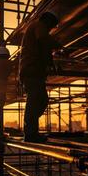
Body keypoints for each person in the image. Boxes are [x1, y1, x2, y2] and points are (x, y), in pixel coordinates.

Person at [20, 11, 61, 142]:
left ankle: (31, 129)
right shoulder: (39, 25)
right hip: (31, 70)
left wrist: (56, 48)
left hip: (34, 71)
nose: (50, 29)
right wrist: (57, 49)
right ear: (47, 21)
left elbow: (45, 43)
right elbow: (44, 42)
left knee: (41, 100)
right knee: (34, 100)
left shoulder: (38, 28)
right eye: (51, 26)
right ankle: (30, 133)